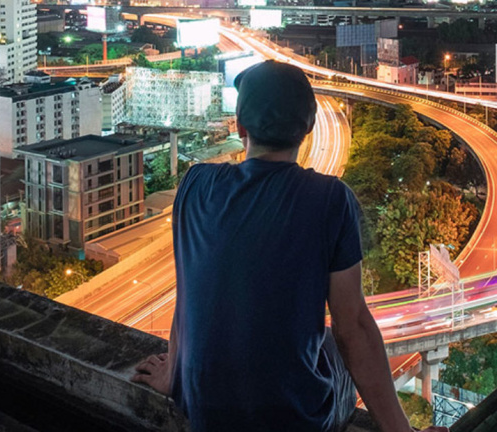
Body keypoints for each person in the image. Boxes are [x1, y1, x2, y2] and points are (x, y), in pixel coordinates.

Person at [131, 60, 448, 432]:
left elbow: (193, 289)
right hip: (295, 421)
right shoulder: (330, 200)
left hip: (202, 407)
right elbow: (354, 328)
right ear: (309, 128)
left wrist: (177, 375)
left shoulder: (195, 184)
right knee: (332, 342)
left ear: (240, 127)